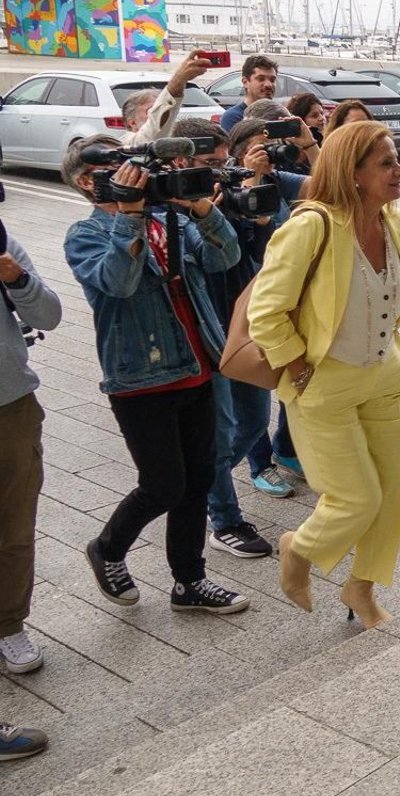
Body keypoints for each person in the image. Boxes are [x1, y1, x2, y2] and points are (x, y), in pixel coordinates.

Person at [62, 135, 250, 616]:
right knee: (164, 484)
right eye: (120, 169)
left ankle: (189, 581)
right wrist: (129, 217)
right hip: (140, 378)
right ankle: (108, 547)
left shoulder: (174, 219)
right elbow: (118, 284)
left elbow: (223, 258)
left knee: (198, 478)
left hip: (198, 364)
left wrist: (203, 209)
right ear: (90, 182)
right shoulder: (84, 236)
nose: (136, 176)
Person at [247, 120, 400, 628]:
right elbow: (266, 311)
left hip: (383, 378)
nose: (399, 170)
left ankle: (360, 587)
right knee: (356, 497)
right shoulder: (311, 226)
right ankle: (297, 549)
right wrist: (298, 365)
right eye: (386, 163)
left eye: (396, 160)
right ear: (353, 171)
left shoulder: (396, 224)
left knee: (393, 491)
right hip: (324, 384)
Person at [167, 120, 276, 557]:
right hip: (205, 332)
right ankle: (224, 518)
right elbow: (209, 261)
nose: (218, 172)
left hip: (241, 320)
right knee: (224, 426)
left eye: (222, 162)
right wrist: (202, 213)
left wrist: (256, 217)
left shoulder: (224, 194)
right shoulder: (166, 209)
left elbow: (247, 254)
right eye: (209, 164)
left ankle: (198, 486)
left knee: (253, 421)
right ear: (179, 163)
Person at [228, 117, 314, 491]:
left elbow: (331, 183)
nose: (268, 153)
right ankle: (259, 464)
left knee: (290, 381)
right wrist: (248, 180)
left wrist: (309, 144)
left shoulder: (281, 182)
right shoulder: (226, 188)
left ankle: (286, 448)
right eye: (258, 146)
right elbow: (243, 243)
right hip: (246, 298)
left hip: (285, 293)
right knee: (257, 383)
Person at [0, 224, 64, 677]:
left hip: (11, 406)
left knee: (14, 528)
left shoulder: (2, 241)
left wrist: (15, 277)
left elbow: (49, 315)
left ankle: (8, 625)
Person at [219, 54, 279, 132]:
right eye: (261, 79)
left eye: (272, 80)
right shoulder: (233, 117)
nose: (268, 85)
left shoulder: (279, 115)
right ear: (245, 82)